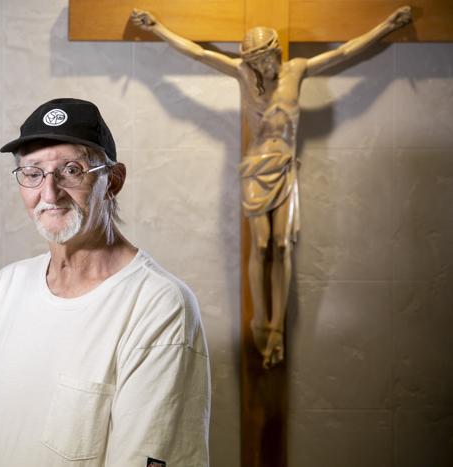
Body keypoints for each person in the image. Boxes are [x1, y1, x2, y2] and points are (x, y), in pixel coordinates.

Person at [131, 6, 412, 368]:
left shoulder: (297, 71)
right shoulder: (242, 74)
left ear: (277, 52)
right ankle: (259, 319)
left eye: (266, 59)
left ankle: (277, 325)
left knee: (283, 245)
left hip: (285, 170)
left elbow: (345, 52)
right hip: (255, 169)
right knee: (261, 244)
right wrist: (157, 28)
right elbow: (198, 52)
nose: (263, 67)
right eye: (257, 61)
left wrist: (387, 25)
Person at [0, 98, 211, 467]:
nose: (49, 193)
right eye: (33, 172)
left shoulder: (157, 305)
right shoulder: (1, 290)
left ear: (112, 181)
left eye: (71, 170)